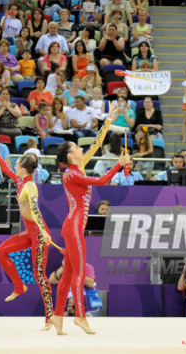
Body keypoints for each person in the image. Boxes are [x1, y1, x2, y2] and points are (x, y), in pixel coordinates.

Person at [50, 102, 129, 335]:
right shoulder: (71, 174)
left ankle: (57, 316)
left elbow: (95, 144)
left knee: (68, 275)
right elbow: (101, 182)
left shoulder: (79, 167)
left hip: (73, 226)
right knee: (78, 273)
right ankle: (81, 316)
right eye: (77, 148)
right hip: (74, 227)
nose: (81, 149)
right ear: (69, 155)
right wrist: (118, 165)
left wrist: (106, 122)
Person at [0, 150, 54, 327]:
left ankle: (50, 316)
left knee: (39, 275)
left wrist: (43, 231)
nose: (14, 166)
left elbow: (35, 210)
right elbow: (5, 169)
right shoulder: (20, 180)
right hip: (29, 232)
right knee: (0, 252)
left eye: (16, 164)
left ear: (23, 169)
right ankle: (19, 287)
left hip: (39, 234)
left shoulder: (30, 186)